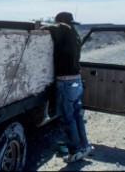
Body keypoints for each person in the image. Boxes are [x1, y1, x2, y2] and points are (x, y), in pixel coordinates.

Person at [46, 11, 94, 163]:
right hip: (76, 80)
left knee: (67, 119)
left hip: (66, 82)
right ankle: (84, 145)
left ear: (61, 21)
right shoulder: (75, 36)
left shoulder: (64, 29)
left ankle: (75, 151)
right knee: (77, 116)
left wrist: (41, 28)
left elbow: (58, 26)